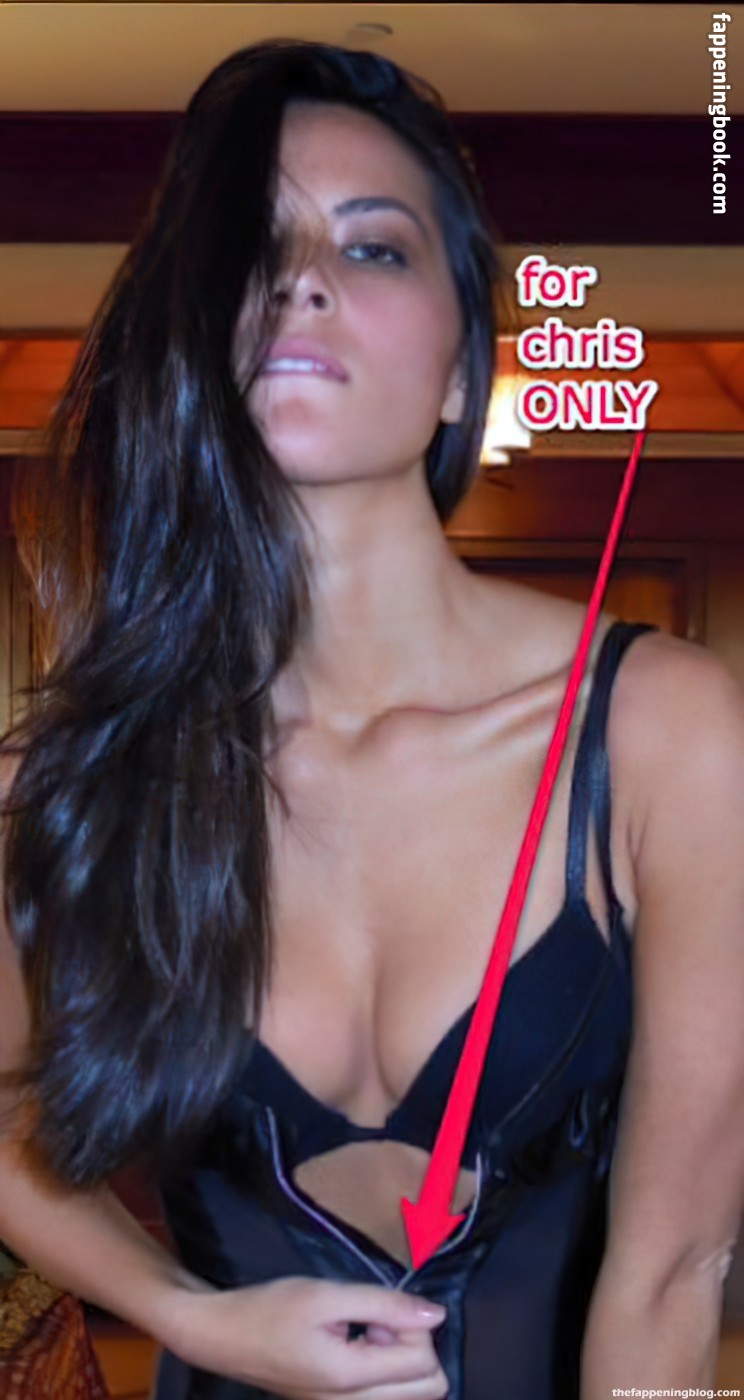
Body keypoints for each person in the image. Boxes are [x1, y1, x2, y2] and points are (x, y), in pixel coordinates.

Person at [0, 36, 743, 1400]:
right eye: (253, 246)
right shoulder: (76, 773)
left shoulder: (669, 736)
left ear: (464, 374)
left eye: (373, 247)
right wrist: (190, 1315)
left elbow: (674, 1273)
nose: (302, 280)